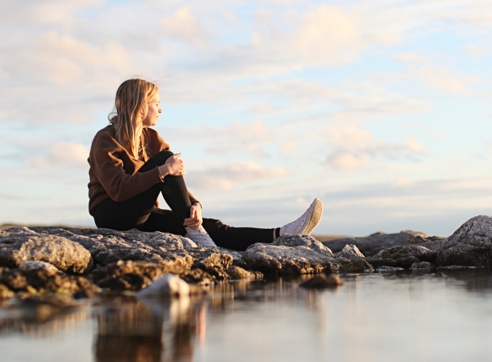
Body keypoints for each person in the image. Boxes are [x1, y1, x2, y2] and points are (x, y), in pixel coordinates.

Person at [88, 78, 323, 250]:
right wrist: (161, 170)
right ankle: (194, 230)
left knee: (210, 225)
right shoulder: (105, 139)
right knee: (166, 161)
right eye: (155, 103)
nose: (160, 109)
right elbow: (119, 190)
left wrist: (195, 205)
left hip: (143, 214)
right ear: (140, 105)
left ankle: (281, 235)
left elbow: (171, 178)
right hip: (112, 215)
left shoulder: (152, 139)